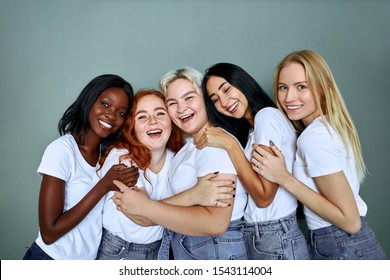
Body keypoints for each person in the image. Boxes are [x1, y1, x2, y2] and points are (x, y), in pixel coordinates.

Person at [252, 50, 387, 260]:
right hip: (348, 244)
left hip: (341, 245)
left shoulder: (314, 138)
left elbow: (350, 221)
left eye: (301, 87)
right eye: (283, 88)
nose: (289, 97)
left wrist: (284, 178)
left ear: (322, 89)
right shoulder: (328, 127)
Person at [113, 67, 248, 260]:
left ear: (205, 99)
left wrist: (145, 208)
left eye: (189, 97)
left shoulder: (214, 146)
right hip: (190, 247)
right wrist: (193, 195)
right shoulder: (188, 146)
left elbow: (216, 224)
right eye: (172, 103)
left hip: (215, 250)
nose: (181, 108)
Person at [197, 62, 310, 260]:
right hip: (259, 236)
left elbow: (264, 197)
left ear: (242, 83)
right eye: (215, 99)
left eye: (226, 89)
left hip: (275, 236)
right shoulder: (252, 131)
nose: (224, 102)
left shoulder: (266, 117)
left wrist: (230, 146)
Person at [23, 74, 139, 260]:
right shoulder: (62, 150)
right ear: (89, 100)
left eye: (121, 113)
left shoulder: (107, 156)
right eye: (105, 104)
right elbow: (49, 232)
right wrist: (103, 186)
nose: (111, 115)